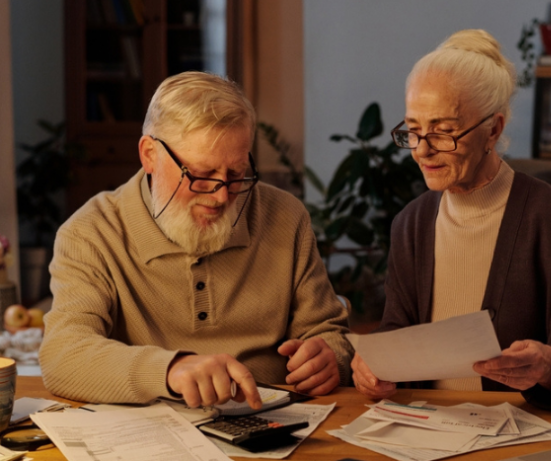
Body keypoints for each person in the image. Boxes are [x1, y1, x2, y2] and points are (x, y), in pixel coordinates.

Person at [40, 71, 353, 408]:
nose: (221, 197)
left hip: (275, 421)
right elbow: (64, 356)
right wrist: (171, 369)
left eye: (235, 173)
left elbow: (327, 331)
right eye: (201, 175)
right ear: (149, 154)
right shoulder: (90, 233)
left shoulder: (286, 217)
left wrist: (329, 357)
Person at [351, 29, 551, 410]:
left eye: (444, 132)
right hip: (425, 433)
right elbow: (397, 332)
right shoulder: (411, 224)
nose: (422, 150)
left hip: (525, 435)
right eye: (414, 130)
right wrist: (372, 368)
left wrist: (550, 365)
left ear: (494, 129)